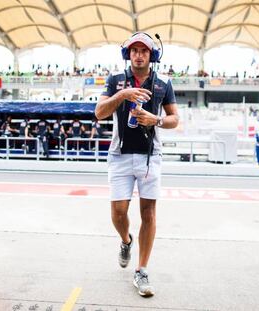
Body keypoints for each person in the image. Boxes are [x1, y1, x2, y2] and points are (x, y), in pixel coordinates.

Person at [95, 32, 179, 297]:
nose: (139, 55)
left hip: (150, 156)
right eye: (134, 51)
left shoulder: (164, 82)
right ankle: (126, 240)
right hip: (119, 155)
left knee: (149, 213)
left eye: (144, 51)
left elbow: (175, 119)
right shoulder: (115, 80)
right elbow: (99, 113)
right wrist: (123, 95)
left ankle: (141, 270)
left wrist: (154, 119)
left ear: (152, 55)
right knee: (118, 213)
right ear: (128, 55)